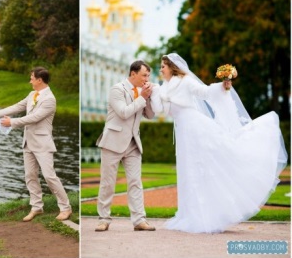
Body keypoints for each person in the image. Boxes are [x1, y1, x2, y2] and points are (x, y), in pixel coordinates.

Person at [150, 53, 288, 233]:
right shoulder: (163, 87)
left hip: (195, 128)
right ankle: (189, 215)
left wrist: (222, 86)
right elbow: (159, 109)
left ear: (172, 68)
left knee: (205, 168)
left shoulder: (185, 81)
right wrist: (152, 92)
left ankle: (205, 217)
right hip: (184, 133)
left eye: (163, 66)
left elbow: (205, 92)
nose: (160, 70)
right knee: (187, 172)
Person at [0, 67, 72, 221]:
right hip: (28, 143)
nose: (30, 80)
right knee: (30, 176)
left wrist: (12, 122)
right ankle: (37, 207)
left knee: (49, 176)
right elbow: (17, 106)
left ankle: (66, 208)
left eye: (32, 77)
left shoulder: (50, 99)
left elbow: (35, 118)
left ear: (39, 80)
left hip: (43, 143)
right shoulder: (32, 94)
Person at [95, 60, 156, 232]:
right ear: (133, 73)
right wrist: (142, 97)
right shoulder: (117, 89)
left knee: (135, 182)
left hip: (133, 144)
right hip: (113, 142)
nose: (146, 79)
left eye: (148, 76)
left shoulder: (142, 92)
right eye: (144, 75)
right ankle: (103, 219)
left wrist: (148, 98)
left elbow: (150, 115)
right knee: (108, 182)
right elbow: (123, 113)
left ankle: (139, 221)